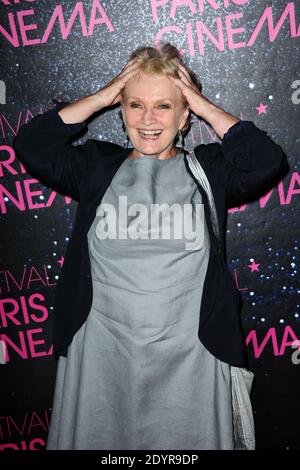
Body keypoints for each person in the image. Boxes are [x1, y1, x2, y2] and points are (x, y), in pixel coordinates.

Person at [13, 43, 289, 450]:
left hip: (192, 357)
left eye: (164, 106)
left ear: (184, 117)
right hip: (101, 356)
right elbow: (32, 145)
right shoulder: (96, 166)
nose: (147, 119)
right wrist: (104, 96)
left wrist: (198, 101)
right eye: (135, 105)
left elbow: (266, 161)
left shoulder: (209, 170)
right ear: (121, 111)